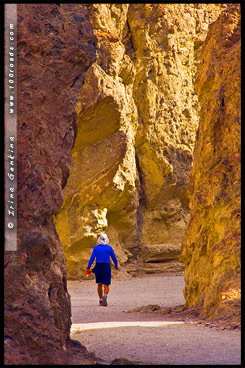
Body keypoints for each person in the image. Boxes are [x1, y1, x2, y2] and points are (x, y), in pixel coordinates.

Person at [86, 233, 118, 306]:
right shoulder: (109, 248)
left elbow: (92, 258)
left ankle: (100, 300)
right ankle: (105, 295)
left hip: (98, 266)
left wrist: (88, 267)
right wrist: (116, 265)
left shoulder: (96, 248)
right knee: (106, 284)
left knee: (99, 284)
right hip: (106, 266)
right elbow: (114, 258)